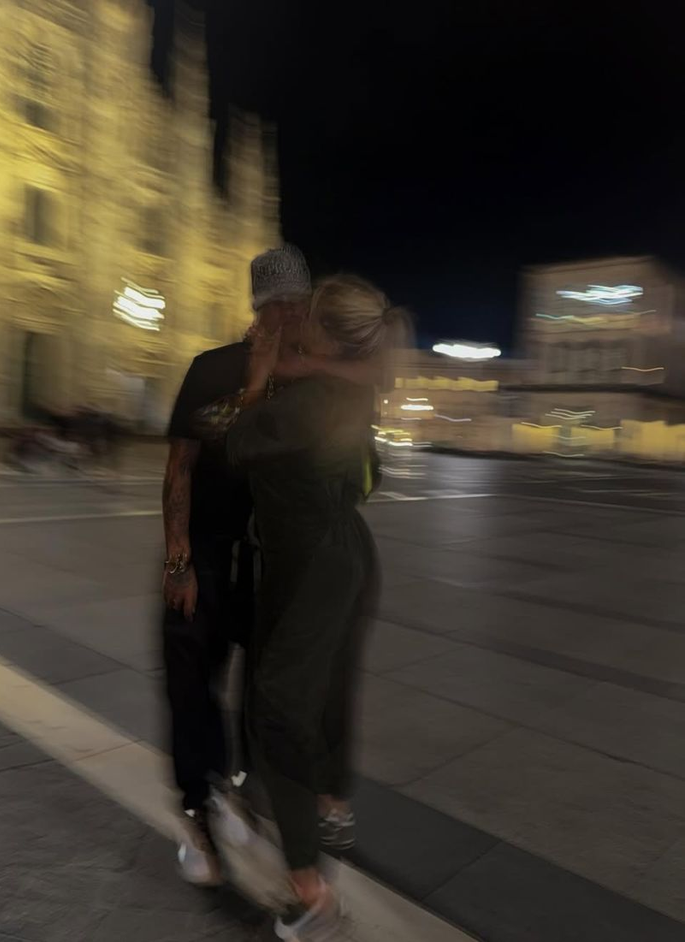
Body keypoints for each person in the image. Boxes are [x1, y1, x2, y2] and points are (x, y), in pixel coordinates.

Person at [194, 275, 407, 939]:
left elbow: (226, 436)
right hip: (339, 554)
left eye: (308, 318)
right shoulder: (349, 386)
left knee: (279, 709)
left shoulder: (308, 401)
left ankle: (310, 891)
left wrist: (259, 375)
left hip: (314, 564)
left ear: (324, 336)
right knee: (322, 690)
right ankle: (322, 807)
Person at [161, 245, 314, 885]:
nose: (289, 316)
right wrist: (178, 563)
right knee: (191, 685)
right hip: (205, 554)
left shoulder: (306, 382)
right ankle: (198, 813)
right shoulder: (211, 368)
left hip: (267, 562)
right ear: (259, 308)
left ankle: (237, 791)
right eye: (280, 306)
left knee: (262, 693)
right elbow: (182, 467)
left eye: (298, 306)